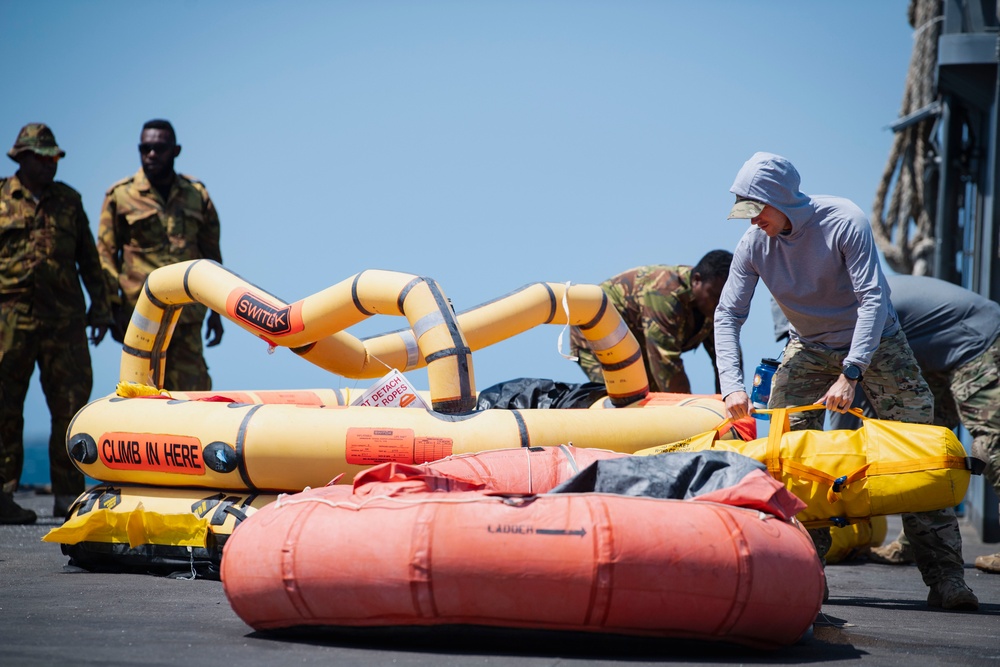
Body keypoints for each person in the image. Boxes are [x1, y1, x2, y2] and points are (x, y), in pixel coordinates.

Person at [714, 151, 978, 611]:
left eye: (756, 209)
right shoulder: (754, 246)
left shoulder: (844, 220)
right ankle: (804, 575)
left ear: (781, 199)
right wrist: (732, 385)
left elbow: (873, 299)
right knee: (787, 456)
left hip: (876, 343)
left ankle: (947, 580)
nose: (752, 221)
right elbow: (727, 315)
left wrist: (851, 372)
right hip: (809, 347)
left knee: (920, 451)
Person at [787, 275, 1000, 576]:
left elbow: (846, 419)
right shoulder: (846, 306)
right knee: (923, 452)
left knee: (991, 444)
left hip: (979, 341)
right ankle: (913, 543)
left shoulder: (856, 320)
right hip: (939, 357)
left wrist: (833, 471)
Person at [0, 123, 113, 522]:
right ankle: (2, 497)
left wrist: (100, 308)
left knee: (70, 408)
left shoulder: (68, 201)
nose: (51, 164)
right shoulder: (1, 199)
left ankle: (69, 499)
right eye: (43, 158)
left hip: (64, 322)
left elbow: (89, 261)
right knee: (4, 407)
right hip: (9, 321)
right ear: (23, 158)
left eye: (55, 158)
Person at [98, 119, 223, 391]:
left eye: (159, 148)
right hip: (141, 317)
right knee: (142, 392)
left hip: (188, 316)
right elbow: (105, 256)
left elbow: (211, 256)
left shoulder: (196, 195)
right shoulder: (120, 196)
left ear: (175, 151)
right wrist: (112, 308)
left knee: (193, 393)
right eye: (145, 148)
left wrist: (217, 311)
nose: (151, 155)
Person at [569, 250, 732, 394]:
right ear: (697, 281)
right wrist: (691, 413)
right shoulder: (664, 293)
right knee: (624, 399)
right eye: (716, 296)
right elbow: (665, 361)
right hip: (596, 335)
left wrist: (728, 406)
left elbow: (727, 358)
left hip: (640, 345)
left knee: (651, 401)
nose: (722, 304)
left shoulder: (716, 304)